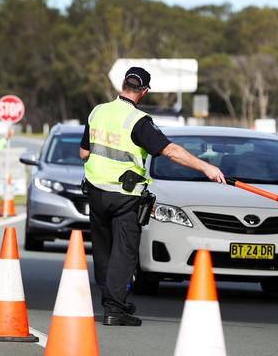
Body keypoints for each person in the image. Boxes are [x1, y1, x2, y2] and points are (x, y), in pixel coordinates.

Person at [79, 67, 225, 326]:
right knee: (124, 252)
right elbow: (170, 151)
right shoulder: (138, 120)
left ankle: (112, 299)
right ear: (144, 91)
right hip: (124, 196)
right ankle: (114, 308)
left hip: (96, 191)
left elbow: (83, 153)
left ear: (123, 84)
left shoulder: (97, 111)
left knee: (103, 250)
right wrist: (206, 167)